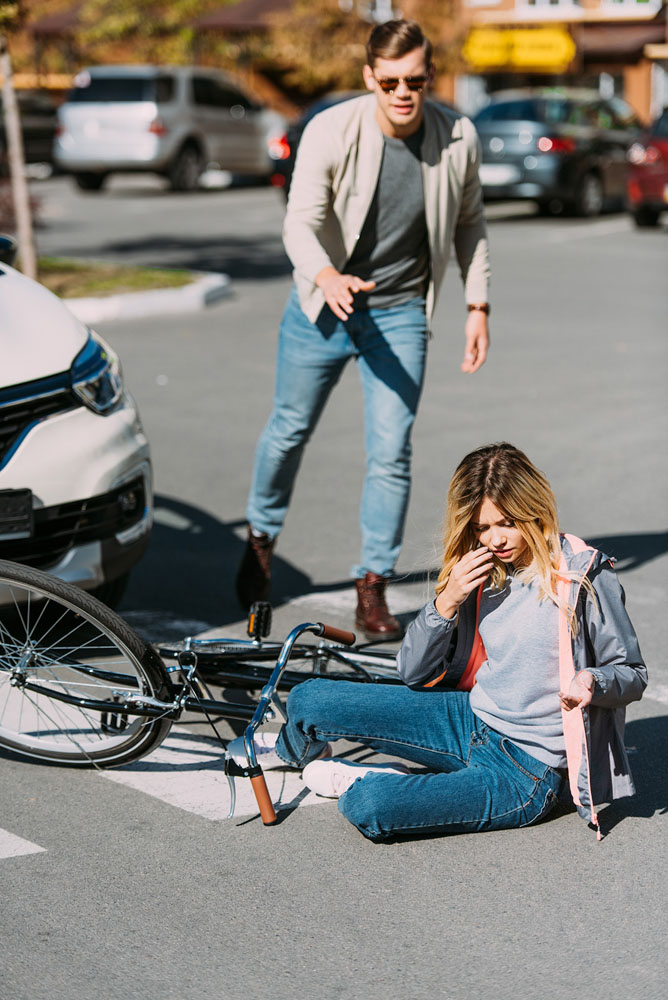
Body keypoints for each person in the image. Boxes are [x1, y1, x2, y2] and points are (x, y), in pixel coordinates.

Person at [230, 443, 647, 842]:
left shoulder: (583, 576)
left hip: (528, 772)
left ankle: (395, 781)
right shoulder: (483, 571)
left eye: (507, 523)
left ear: (533, 511)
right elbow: (411, 672)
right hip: (471, 721)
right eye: (482, 527)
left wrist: (592, 681)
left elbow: (632, 673)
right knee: (308, 699)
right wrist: (446, 601)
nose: (495, 539)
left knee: (370, 805)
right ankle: (294, 751)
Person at [236, 18, 491, 640]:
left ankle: (372, 585)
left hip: (399, 310)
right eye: (391, 82)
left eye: (416, 80)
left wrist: (478, 305)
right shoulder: (331, 129)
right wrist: (325, 276)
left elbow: (470, 224)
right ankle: (261, 536)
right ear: (370, 77)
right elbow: (300, 221)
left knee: (391, 452)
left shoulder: (457, 135)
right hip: (324, 304)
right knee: (288, 430)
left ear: (430, 77)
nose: (404, 93)